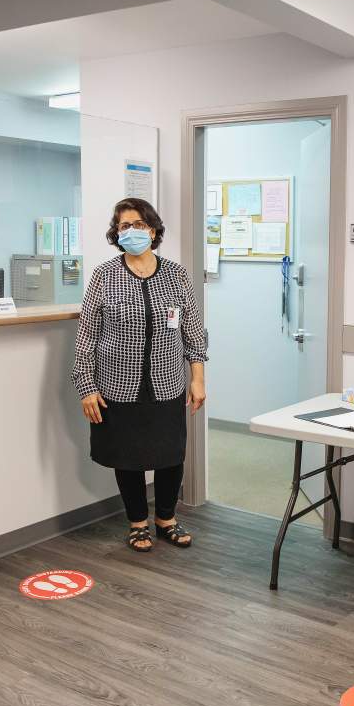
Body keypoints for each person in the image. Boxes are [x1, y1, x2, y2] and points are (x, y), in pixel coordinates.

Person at [71, 198, 207, 552]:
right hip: (118, 385)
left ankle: (166, 519)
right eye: (124, 226)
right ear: (116, 233)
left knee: (171, 455)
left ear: (154, 230)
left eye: (138, 225)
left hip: (167, 383)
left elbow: (193, 331)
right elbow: (86, 336)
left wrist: (198, 379)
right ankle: (137, 523)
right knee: (127, 458)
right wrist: (86, 386)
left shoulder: (176, 274)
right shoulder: (105, 275)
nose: (131, 232)